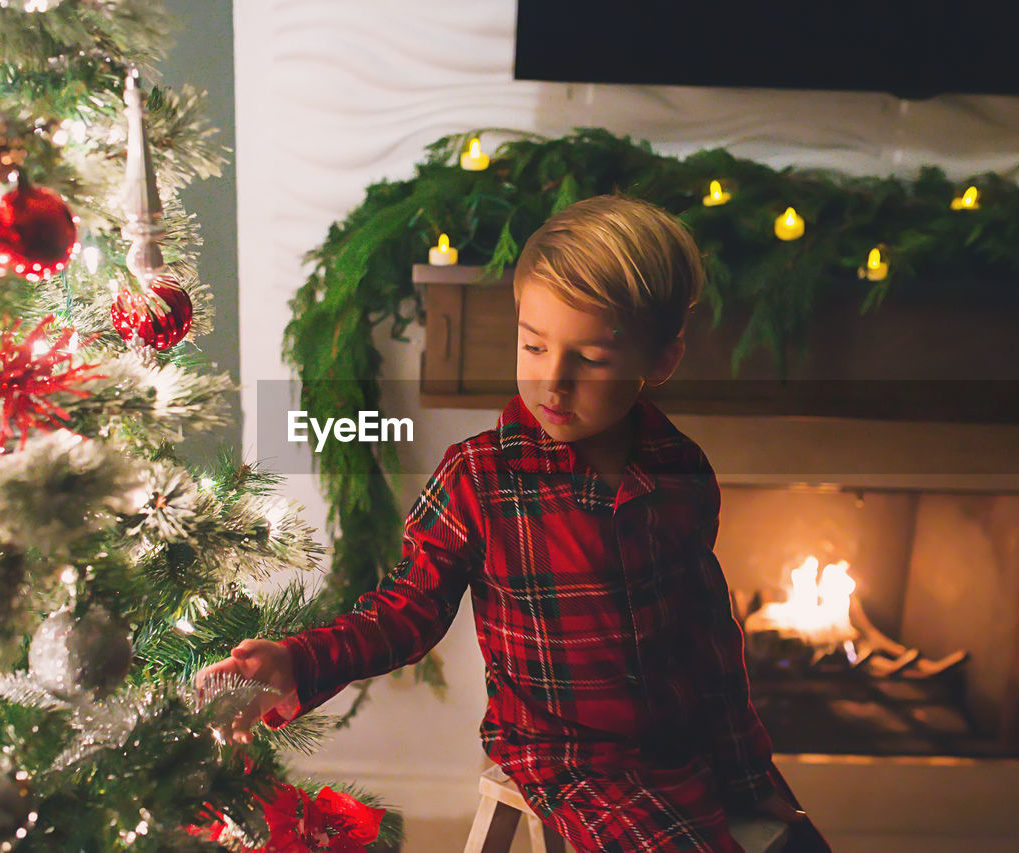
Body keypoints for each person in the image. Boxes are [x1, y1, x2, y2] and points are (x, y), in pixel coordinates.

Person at [197, 194, 831, 852]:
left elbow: (710, 640)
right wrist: (298, 660)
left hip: (679, 745)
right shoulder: (479, 479)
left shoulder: (681, 471)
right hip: (572, 759)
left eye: (590, 359)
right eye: (534, 345)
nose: (553, 380)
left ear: (661, 360)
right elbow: (403, 611)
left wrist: (749, 772)